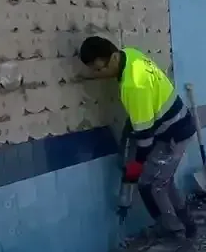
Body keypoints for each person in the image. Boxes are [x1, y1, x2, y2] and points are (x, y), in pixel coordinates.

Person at [79, 37, 197, 239]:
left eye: (100, 69)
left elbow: (144, 145)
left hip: (174, 134)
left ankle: (174, 232)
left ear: (114, 57)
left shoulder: (133, 87)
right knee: (163, 181)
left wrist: (131, 174)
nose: (99, 74)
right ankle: (187, 225)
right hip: (175, 125)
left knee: (152, 185)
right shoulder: (130, 54)